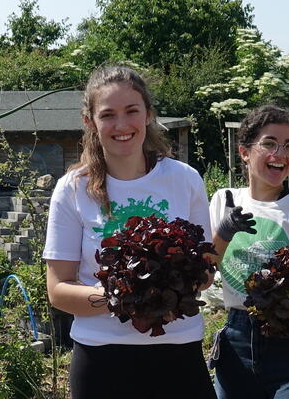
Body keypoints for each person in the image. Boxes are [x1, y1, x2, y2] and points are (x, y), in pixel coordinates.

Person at [41, 64, 215, 399]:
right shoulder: (72, 189)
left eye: (131, 111)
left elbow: (204, 269)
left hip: (178, 352)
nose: (121, 125)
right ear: (89, 121)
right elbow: (58, 290)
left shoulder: (185, 179)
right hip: (102, 358)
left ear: (148, 114)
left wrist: (176, 284)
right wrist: (126, 298)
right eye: (108, 115)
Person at [207, 104, 289, 399]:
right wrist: (224, 233)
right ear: (244, 152)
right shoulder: (223, 200)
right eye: (269, 143)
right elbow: (204, 270)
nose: (280, 154)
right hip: (236, 340)